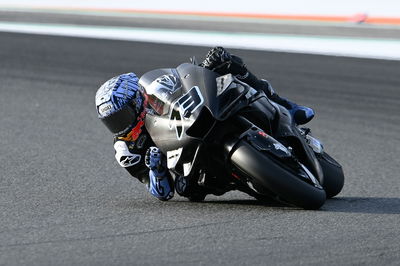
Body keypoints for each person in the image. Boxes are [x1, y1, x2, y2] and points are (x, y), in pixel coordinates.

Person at [95, 47, 315, 201]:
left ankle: (287, 107)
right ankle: (250, 175)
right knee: (187, 189)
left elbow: (182, 80)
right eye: (112, 122)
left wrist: (205, 69)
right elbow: (162, 193)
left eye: (121, 116)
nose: (120, 127)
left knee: (221, 60)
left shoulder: (154, 91)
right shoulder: (125, 149)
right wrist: (157, 169)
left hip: (198, 117)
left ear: (136, 101)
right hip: (190, 169)